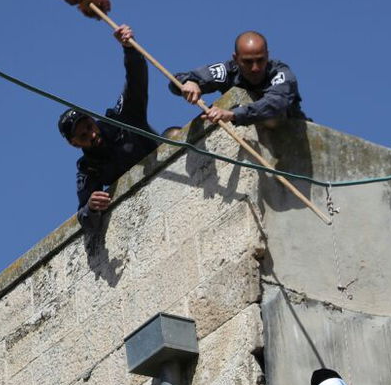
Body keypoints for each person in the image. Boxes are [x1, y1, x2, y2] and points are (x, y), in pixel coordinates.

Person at [57, 25, 158, 236]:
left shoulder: (120, 118)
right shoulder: (88, 169)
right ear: (74, 144)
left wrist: (130, 49)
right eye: (83, 136)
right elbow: (84, 217)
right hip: (142, 205)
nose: (92, 135)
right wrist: (91, 207)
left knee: (174, 136)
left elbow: (135, 82)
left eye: (90, 127)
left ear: (93, 120)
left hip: (162, 168)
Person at [169, 30, 306, 126]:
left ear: (267, 55)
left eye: (260, 60)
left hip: (288, 134)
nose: (255, 68)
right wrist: (189, 82)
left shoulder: (280, 74)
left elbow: (275, 103)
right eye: (247, 62)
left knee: (272, 120)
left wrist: (233, 115)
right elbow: (177, 80)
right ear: (236, 59)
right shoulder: (229, 70)